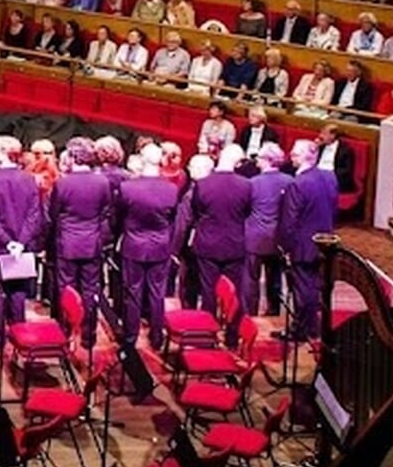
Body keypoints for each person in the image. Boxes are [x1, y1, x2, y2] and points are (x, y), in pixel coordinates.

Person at [0, 136, 45, 349]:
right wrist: (20, 243)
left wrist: (7, 241)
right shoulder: (28, 179)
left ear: (3, 152)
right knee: (18, 291)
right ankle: (19, 330)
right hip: (21, 247)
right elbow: (34, 215)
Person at [48, 138, 113, 344]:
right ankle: (88, 334)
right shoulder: (102, 182)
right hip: (92, 243)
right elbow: (105, 211)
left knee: (66, 288)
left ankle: (66, 330)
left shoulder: (63, 183)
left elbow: (53, 213)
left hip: (67, 243)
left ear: (73, 157)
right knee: (90, 289)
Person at [115, 150, 181, 350]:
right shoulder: (171, 189)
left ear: (142, 162)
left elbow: (118, 218)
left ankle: (130, 337)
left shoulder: (127, 188)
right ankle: (156, 337)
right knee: (157, 293)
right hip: (160, 246)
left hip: (133, 245)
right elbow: (173, 219)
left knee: (133, 293)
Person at [280, 140, 339, 342]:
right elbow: (333, 208)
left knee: (303, 289)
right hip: (325, 241)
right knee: (314, 286)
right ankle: (312, 327)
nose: (291, 156)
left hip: (303, 245)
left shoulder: (297, 184)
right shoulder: (329, 177)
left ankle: (301, 330)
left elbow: (289, 220)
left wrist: (286, 247)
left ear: (305, 157)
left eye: (295, 154)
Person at [187, 143, 252, 326]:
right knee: (235, 292)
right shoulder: (246, 185)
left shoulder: (202, 184)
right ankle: (232, 333)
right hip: (234, 243)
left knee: (208, 290)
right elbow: (247, 211)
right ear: (238, 163)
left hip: (208, 243)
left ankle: (209, 330)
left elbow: (197, 211)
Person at [243, 143, 293, 318]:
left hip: (254, 237)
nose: (256, 161)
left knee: (250, 279)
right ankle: (273, 311)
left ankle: (250, 313)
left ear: (268, 160)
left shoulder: (252, 183)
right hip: (278, 237)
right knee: (275, 278)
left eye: (260, 158)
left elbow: (245, 209)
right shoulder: (289, 182)